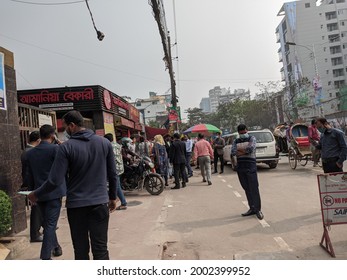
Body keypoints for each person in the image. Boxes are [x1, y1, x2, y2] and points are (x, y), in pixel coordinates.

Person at [28, 110, 117, 260]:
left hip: (77, 206)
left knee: (81, 251)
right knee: (101, 249)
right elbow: (113, 174)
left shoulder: (66, 147)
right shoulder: (104, 143)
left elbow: (54, 180)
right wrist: (112, 197)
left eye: (65, 127)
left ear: (72, 125)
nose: (64, 131)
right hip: (100, 203)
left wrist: (35, 194)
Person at [25, 125, 66, 260]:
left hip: (38, 194)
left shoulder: (30, 153)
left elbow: (29, 176)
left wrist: (32, 195)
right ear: (53, 135)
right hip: (54, 193)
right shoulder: (56, 149)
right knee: (50, 225)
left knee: (48, 223)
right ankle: (45, 257)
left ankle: (56, 247)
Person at [231, 124, 263, 220]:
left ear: (247, 130)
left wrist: (240, 151)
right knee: (246, 188)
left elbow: (251, 149)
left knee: (254, 188)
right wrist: (244, 151)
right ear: (238, 133)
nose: (243, 134)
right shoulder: (236, 140)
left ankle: (258, 210)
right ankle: (252, 208)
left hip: (251, 166)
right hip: (241, 166)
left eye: (244, 132)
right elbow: (233, 152)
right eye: (241, 133)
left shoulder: (251, 138)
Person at [20, 130, 43, 243]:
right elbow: (28, 172)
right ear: (38, 140)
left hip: (32, 184)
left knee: (39, 208)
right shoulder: (30, 152)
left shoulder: (27, 151)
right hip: (33, 185)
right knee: (36, 209)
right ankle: (35, 234)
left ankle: (44, 226)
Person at [104, 133, 127, 210]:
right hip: (120, 168)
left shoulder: (108, 146)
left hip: (114, 169)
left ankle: (123, 203)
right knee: (117, 185)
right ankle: (116, 199)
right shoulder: (118, 145)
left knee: (115, 186)